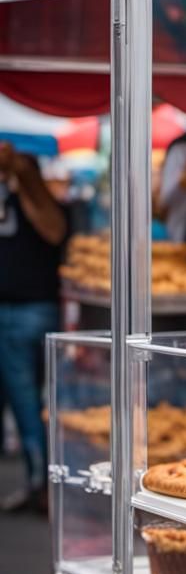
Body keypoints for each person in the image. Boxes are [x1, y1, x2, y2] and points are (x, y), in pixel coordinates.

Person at [0, 142, 67, 513]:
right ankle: (41, 481)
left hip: (31, 309)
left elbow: (54, 231)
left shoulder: (35, 200)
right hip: (22, 309)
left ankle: (44, 483)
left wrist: (23, 178)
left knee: (36, 403)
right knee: (31, 403)